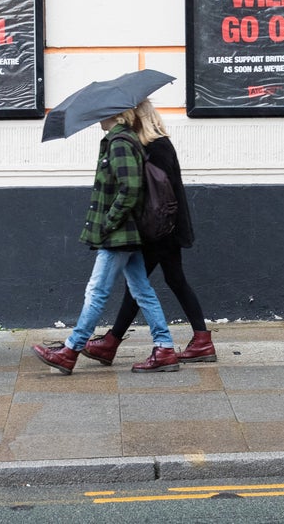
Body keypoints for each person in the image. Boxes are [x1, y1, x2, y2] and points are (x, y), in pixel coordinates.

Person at [32, 107, 180, 375]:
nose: (98, 118)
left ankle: (70, 350)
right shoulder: (120, 140)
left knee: (96, 292)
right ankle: (165, 348)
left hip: (118, 234)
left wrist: (108, 223)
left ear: (116, 115)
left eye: (103, 114)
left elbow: (130, 188)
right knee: (142, 291)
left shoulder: (120, 142)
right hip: (125, 233)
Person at [80, 100, 216, 367]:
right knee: (173, 280)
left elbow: (159, 193)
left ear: (138, 118)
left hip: (159, 228)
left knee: (139, 285)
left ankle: (112, 342)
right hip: (166, 227)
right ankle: (202, 339)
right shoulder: (153, 144)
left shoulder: (156, 147)